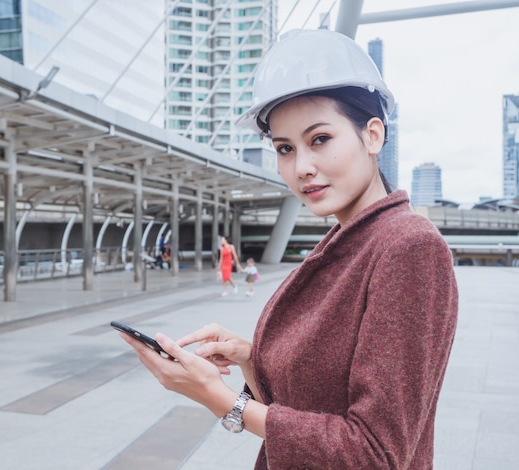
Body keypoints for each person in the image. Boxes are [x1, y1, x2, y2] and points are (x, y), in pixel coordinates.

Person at [117, 29, 458, 469]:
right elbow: (316, 403)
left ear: (373, 135)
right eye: (284, 148)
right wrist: (249, 357)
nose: (302, 167)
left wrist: (219, 399)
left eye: (320, 139)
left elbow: (376, 454)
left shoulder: (408, 248)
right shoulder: (348, 240)